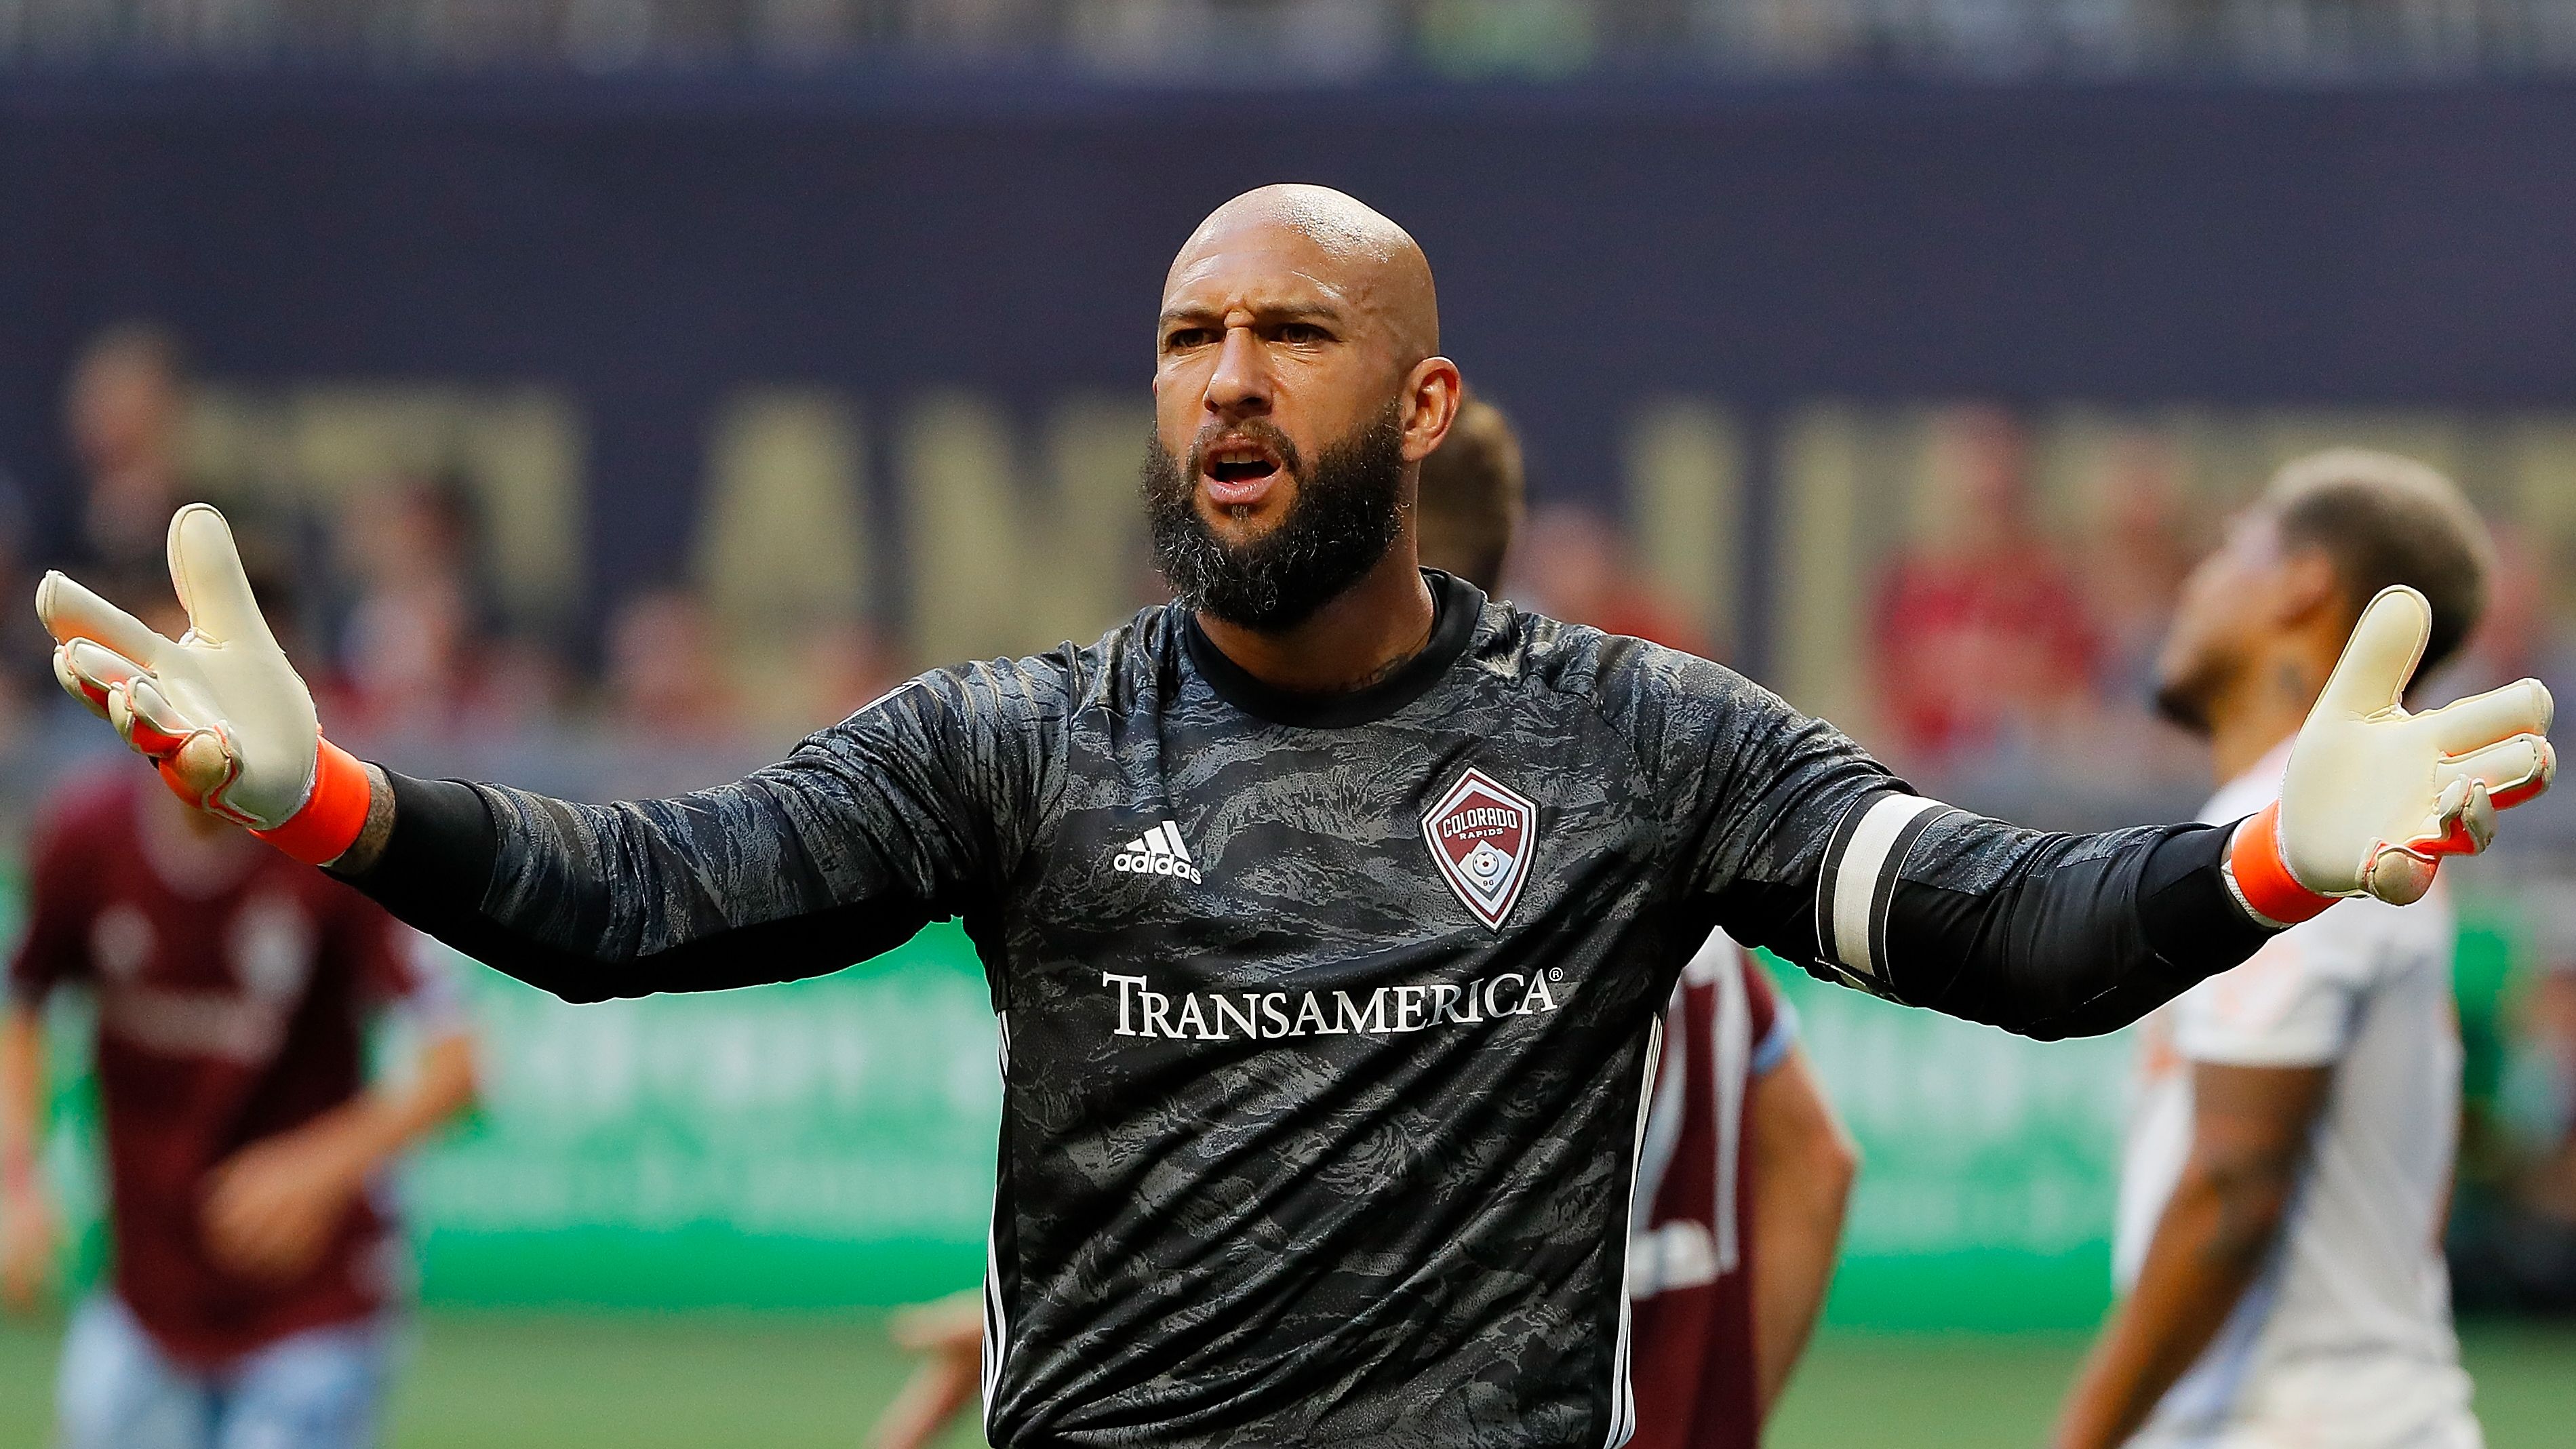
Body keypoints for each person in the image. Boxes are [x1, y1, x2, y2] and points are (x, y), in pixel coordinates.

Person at [35, 186, 2554, 1448]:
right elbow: (627, 902)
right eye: (1184, 341)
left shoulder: (1641, 745)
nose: (1223, 382)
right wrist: (331, 798)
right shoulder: (1010, 743)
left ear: (1420, 399)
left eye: (1286, 336)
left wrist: (2253, 845)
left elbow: (2005, 927)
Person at [2052, 450, 2502, 1449]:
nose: (2194, 582)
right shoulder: (2324, 817)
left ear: (2301, 584)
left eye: (2228, 550)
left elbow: (2232, 1182)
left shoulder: (2313, 830)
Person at [0, 756, 479, 1447]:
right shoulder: (85, 838)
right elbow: (26, 1004)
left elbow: (460, 1064)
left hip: (311, 1301)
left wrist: (318, 1166)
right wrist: (19, 1179)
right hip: (146, 1293)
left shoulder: (341, 841)